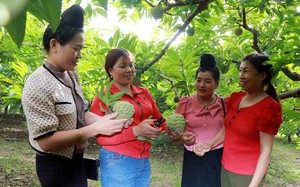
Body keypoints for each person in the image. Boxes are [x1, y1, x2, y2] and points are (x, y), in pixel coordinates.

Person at [21, 5, 130, 187]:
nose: (79, 55)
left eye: (81, 49)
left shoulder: (71, 74)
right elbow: (46, 141)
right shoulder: (37, 83)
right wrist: (92, 130)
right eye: (76, 49)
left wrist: (108, 121)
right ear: (54, 44)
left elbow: (81, 113)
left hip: (76, 161)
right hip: (55, 166)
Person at [194, 53, 282, 187]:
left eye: (246, 71)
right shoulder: (237, 98)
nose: (241, 75)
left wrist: (253, 185)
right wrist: (209, 145)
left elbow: (266, 151)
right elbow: (226, 128)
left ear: (262, 75)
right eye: (240, 70)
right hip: (226, 167)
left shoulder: (269, 107)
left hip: (247, 174)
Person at [91, 48, 165, 187]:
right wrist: (136, 131)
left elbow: (159, 119)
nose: (129, 69)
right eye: (122, 66)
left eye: (131, 65)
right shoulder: (103, 98)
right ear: (110, 70)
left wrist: (168, 131)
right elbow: (101, 138)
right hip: (117, 160)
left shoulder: (143, 92)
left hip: (143, 159)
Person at [168, 54, 225, 187]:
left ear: (217, 84)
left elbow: (229, 129)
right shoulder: (185, 103)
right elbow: (173, 135)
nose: (201, 85)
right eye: (198, 80)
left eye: (208, 81)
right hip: (192, 157)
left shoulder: (224, 104)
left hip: (217, 157)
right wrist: (182, 138)